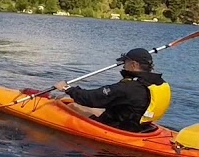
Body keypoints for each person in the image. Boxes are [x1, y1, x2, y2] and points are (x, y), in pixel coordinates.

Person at [26, 47, 171, 133]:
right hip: (141, 125)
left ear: (133, 64)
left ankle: (48, 105)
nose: (123, 65)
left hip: (120, 128)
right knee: (96, 109)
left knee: (74, 105)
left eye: (125, 62)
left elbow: (91, 98)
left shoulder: (128, 88)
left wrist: (67, 88)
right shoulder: (158, 82)